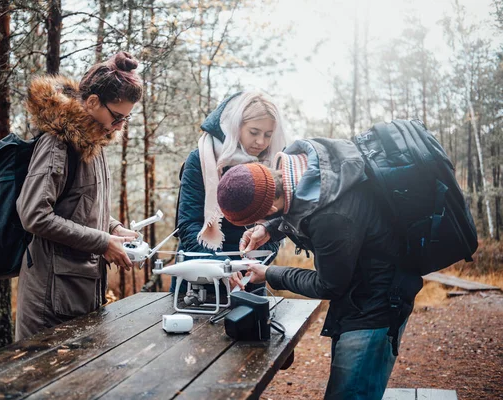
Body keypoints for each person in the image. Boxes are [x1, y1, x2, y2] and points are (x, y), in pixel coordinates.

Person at [216, 139, 423, 400]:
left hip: (377, 305)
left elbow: (329, 285)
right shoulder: (303, 169)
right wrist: (267, 229)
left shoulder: (331, 218)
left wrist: (269, 273)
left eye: (257, 218)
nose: (260, 221)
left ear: (268, 206)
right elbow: (297, 207)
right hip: (358, 294)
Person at [15, 52, 143, 340]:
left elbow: (81, 204)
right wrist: (101, 242)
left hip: (80, 292)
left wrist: (113, 229)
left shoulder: (94, 144)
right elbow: (34, 214)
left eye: (127, 118)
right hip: (49, 299)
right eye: (118, 116)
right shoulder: (56, 143)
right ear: (94, 102)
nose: (121, 125)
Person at [171, 91, 288, 294]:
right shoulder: (201, 159)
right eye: (254, 132)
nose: (261, 141)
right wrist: (221, 266)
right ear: (236, 127)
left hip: (249, 275)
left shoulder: (274, 164)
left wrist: (256, 264)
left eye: (268, 135)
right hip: (199, 273)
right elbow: (188, 225)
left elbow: (279, 223)